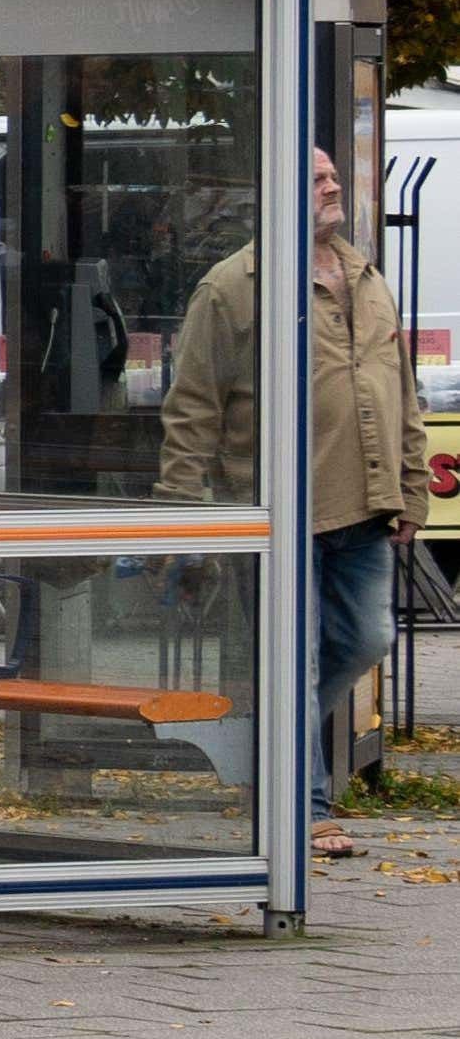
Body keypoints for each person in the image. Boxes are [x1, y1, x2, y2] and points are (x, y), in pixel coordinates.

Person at [155, 152, 427, 828]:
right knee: (294, 661)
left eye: (332, 177)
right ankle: (300, 811)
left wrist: (412, 486)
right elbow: (191, 411)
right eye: (314, 181)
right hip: (277, 513)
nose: (332, 188)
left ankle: (262, 741)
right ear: (274, 193)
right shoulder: (229, 288)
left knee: (366, 637)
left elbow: (401, 389)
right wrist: (183, 521)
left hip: (363, 503)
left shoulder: (365, 278)